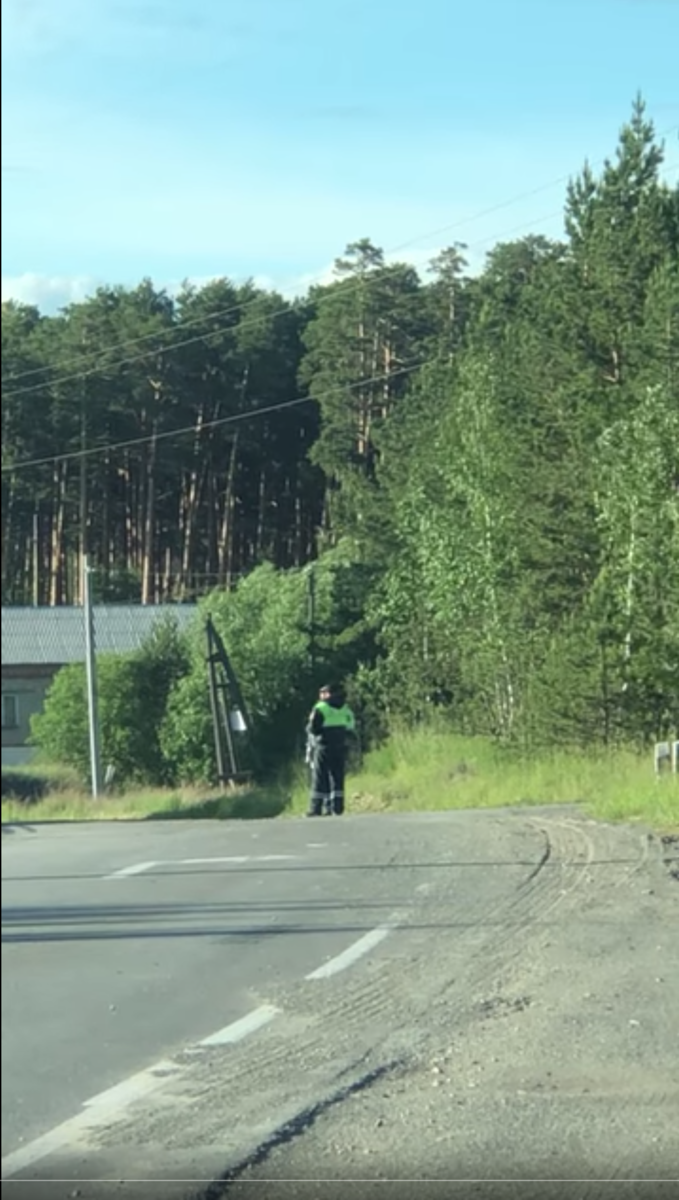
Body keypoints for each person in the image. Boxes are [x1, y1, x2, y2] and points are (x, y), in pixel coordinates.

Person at [306, 683, 356, 817]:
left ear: (329, 694)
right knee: (337, 776)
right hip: (340, 746)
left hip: (323, 745)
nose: (321, 695)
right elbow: (350, 727)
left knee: (319, 776)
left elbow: (313, 728)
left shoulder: (321, 708)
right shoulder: (346, 709)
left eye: (324, 692)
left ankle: (316, 808)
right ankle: (337, 807)